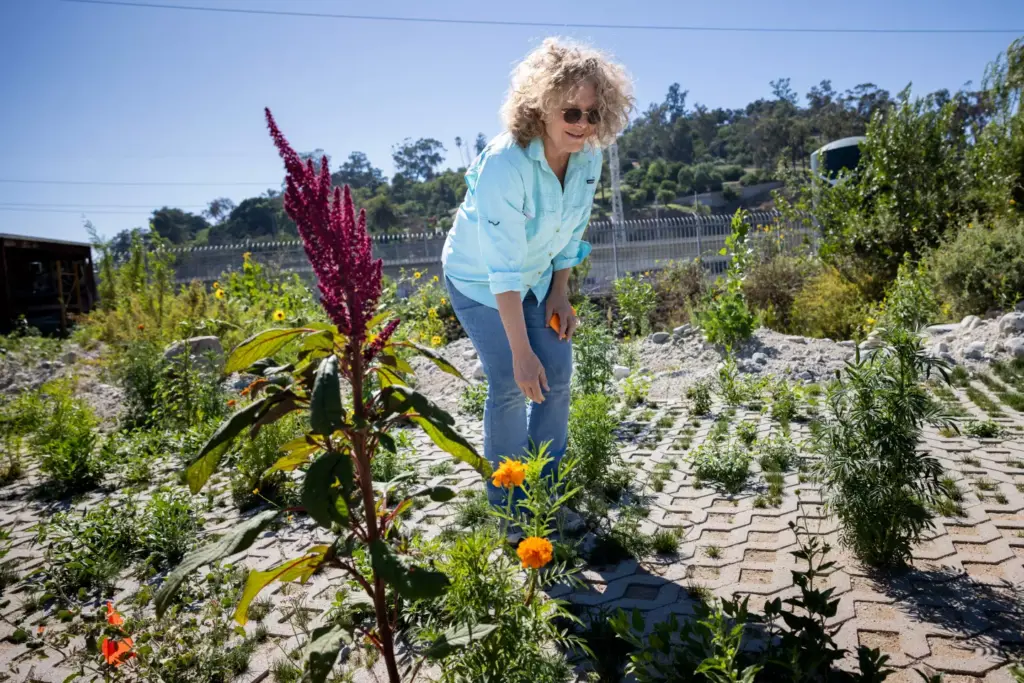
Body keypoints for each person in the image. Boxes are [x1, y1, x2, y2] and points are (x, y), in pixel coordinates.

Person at [442, 38, 634, 507]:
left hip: (538, 276)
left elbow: (571, 232)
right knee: (511, 379)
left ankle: (549, 490)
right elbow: (501, 269)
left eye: (594, 114)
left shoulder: (588, 157)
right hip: (481, 282)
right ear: (541, 106)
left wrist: (560, 293)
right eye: (572, 113)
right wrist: (522, 353)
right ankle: (508, 502)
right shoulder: (506, 164)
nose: (584, 124)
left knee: (559, 373)